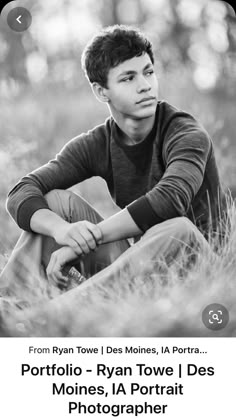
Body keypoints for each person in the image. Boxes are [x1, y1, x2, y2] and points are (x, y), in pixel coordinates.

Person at [0, 25, 227, 309]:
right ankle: (8, 305)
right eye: (128, 78)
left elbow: (170, 199)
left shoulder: (186, 133)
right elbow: (22, 191)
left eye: (148, 72)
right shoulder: (97, 143)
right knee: (55, 202)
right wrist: (62, 231)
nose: (145, 85)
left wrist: (86, 240)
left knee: (178, 228)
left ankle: (51, 314)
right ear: (101, 91)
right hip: (145, 268)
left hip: (199, 272)